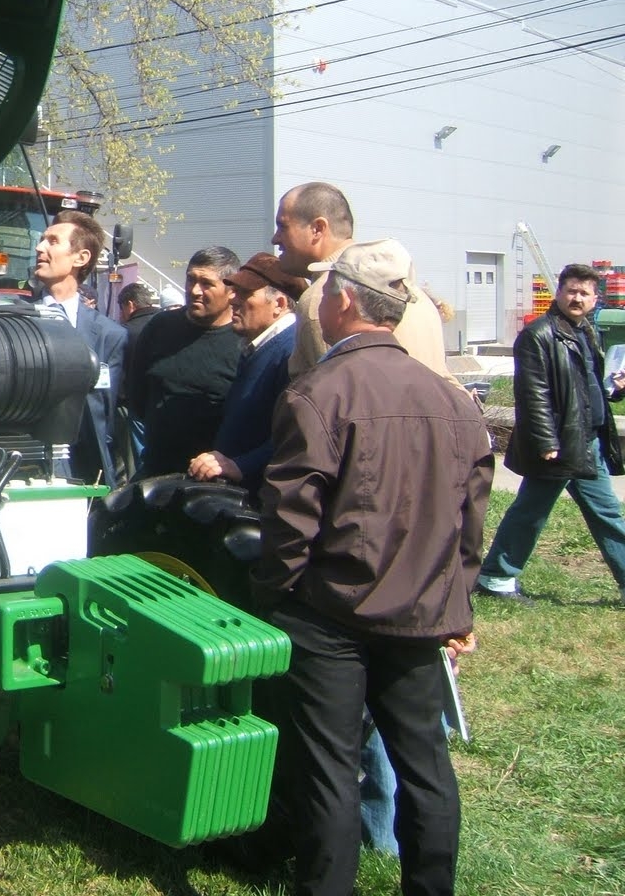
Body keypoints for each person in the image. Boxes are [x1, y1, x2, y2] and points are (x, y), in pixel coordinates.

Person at [252, 239, 491, 896]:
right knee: (426, 767)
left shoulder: (318, 393)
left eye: (326, 294)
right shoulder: (454, 402)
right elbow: (470, 528)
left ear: (347, 300)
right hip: (417, 614)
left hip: (330, 615)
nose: (320, 305)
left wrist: (278, 593)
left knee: (330, 774)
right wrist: (454, 604)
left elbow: (291, 519)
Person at [477, 262, 625, 603]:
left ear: (595, 299)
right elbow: (533, 393)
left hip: (588, 442)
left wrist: (613, 390)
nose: (577, 298)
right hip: (559, 444)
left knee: (607, 513)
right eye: (571, 291)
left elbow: (584, 389)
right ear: (558, 293)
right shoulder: (539, 335)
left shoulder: (585, 332)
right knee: (532, 512)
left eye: (584, 293)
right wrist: (546, 441)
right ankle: (496, 578)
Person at [270, 182, 448, 379]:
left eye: (282, 226)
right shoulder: (409, 290)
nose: (275, 239)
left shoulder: (324, 299)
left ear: (317, 229)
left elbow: (338, 399)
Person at [187, 251, 305, 491]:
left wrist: (242, 465)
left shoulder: (289, 352)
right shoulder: (257, 348)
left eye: (245, 293)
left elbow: (296, 435)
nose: (234, 300)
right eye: (234, 291)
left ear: (279, 304)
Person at [123, 246, 241, 477]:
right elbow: (137, 396)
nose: (195, 290)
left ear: (231, 290)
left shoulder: (242, 339)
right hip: (157, 472)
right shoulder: (160, 327)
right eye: (190, 280)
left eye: (207, 283)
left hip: (215, 481)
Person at [30, 210, 128, 485]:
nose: (40, 248)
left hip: (84, 474)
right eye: (41, 240)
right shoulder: (15, 321)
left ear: (81, 258)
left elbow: (104, 415)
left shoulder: (111, 335)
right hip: (22, 466)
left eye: (52, 241)